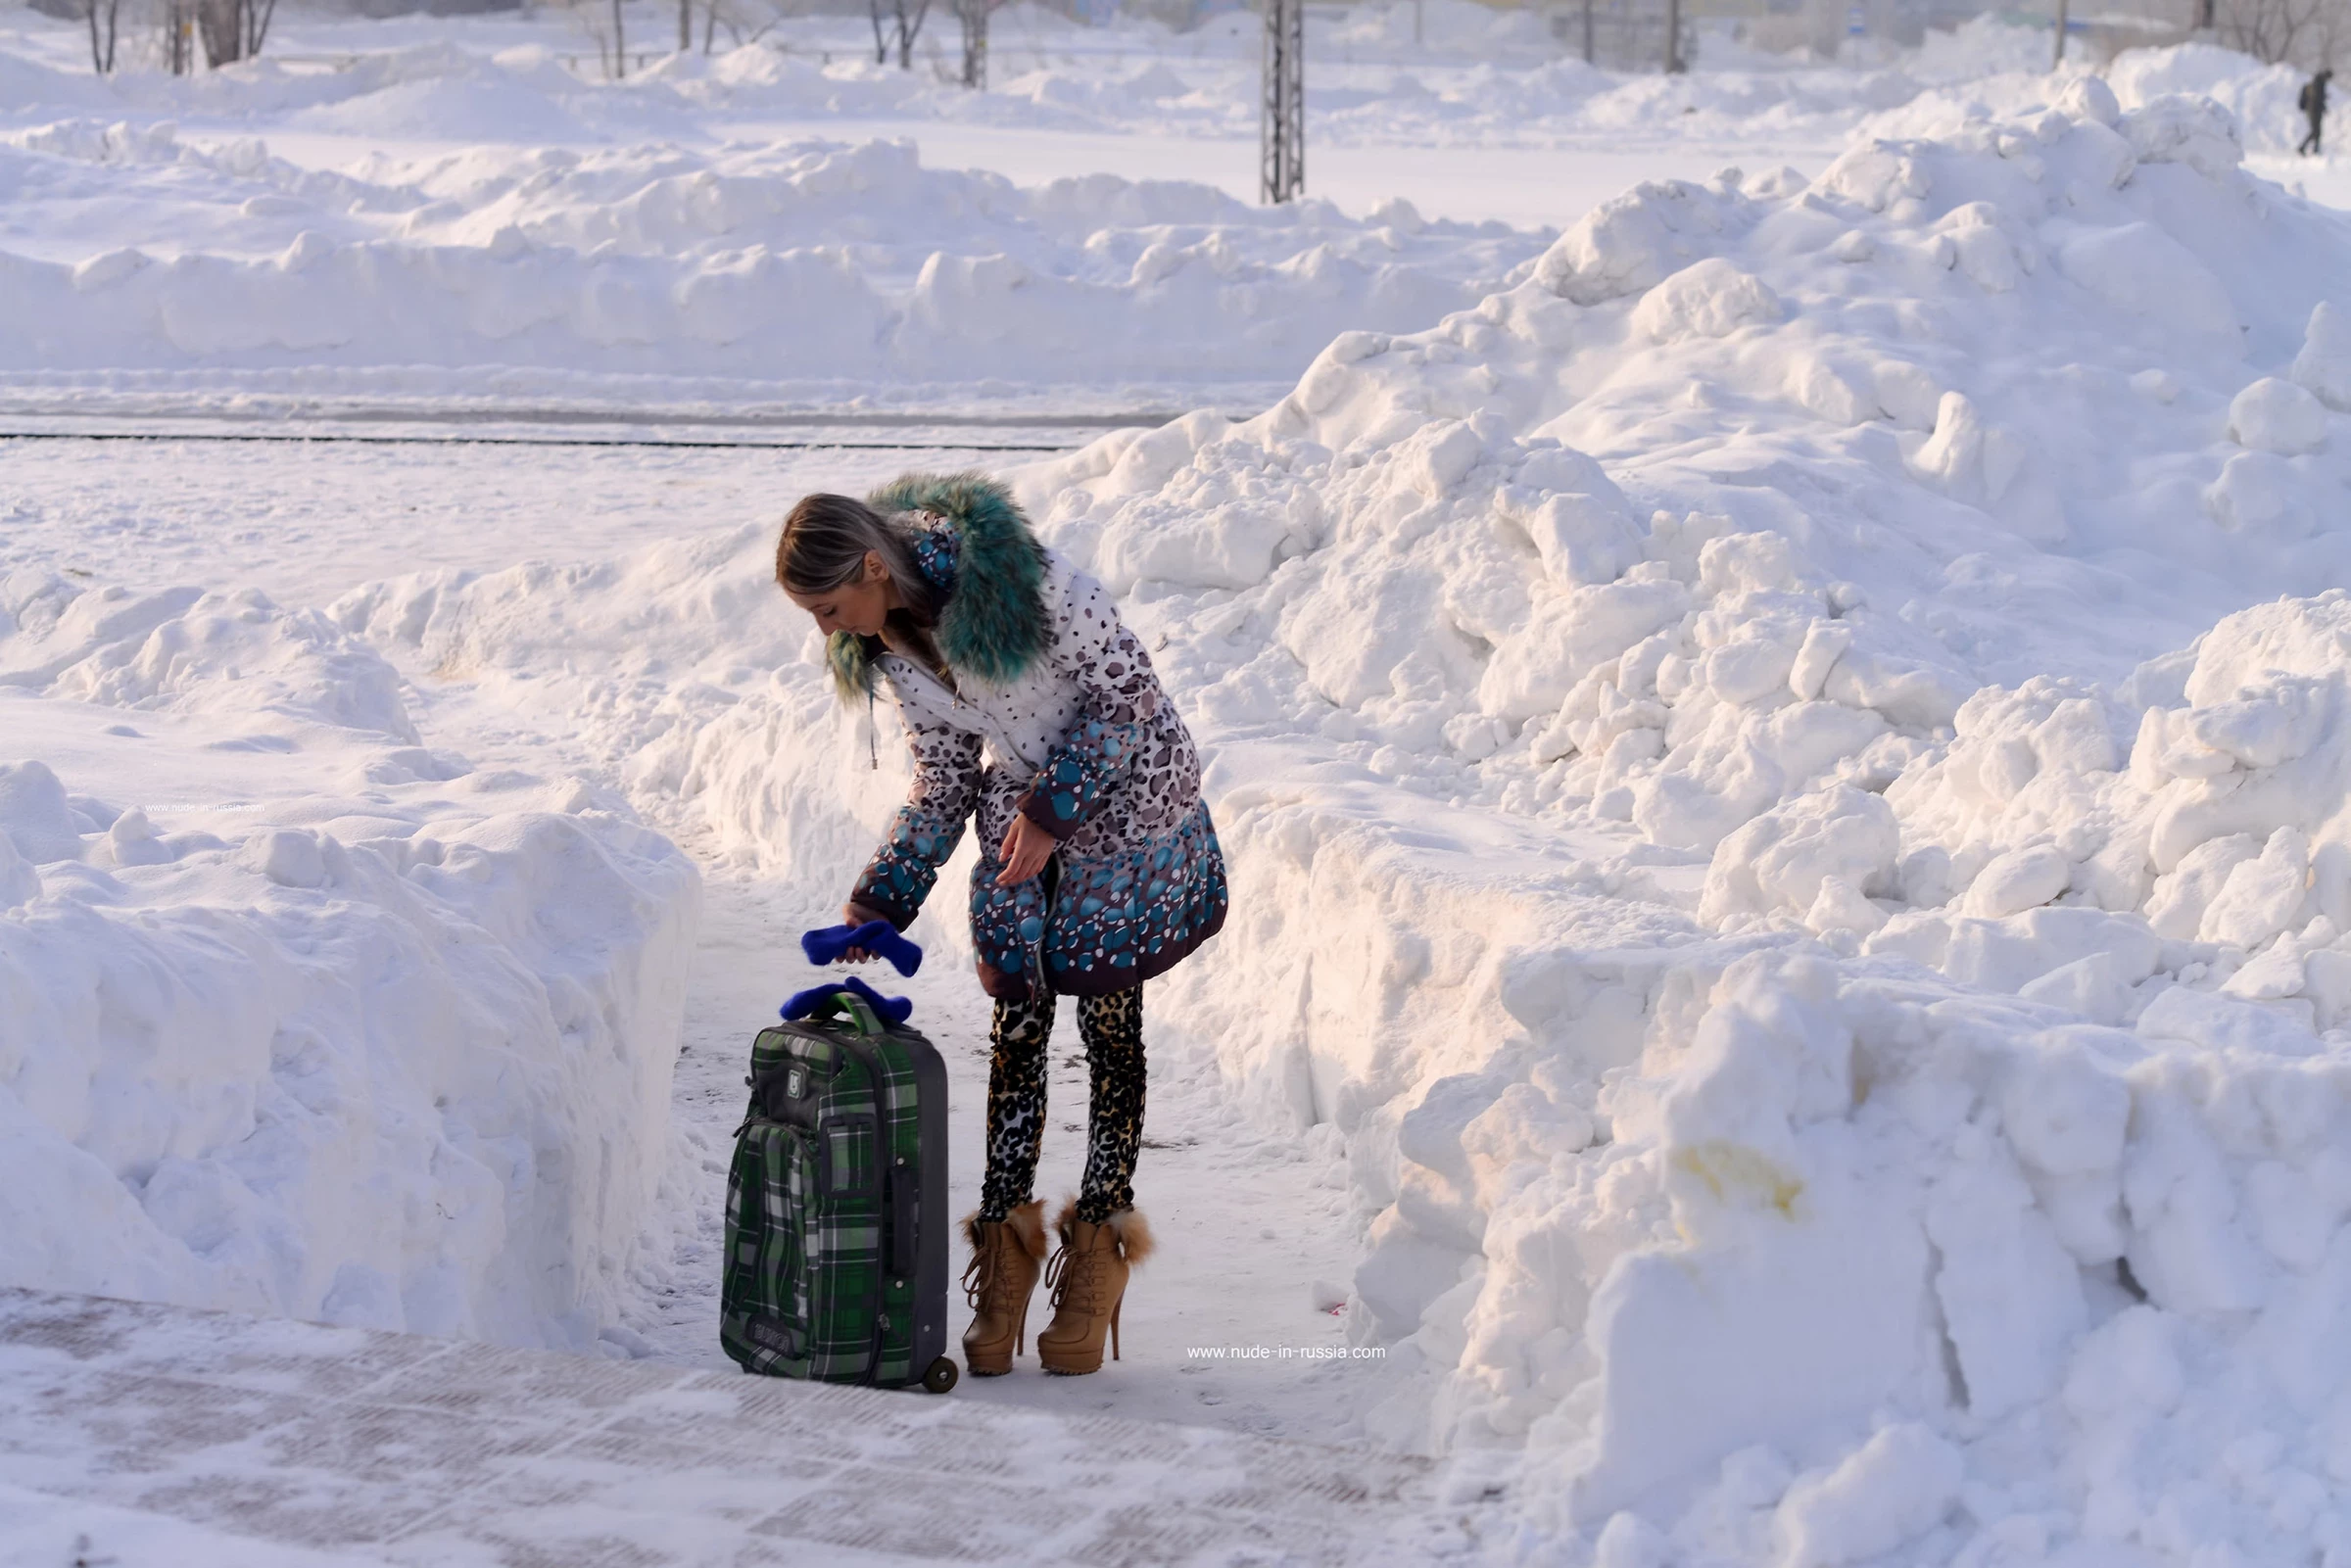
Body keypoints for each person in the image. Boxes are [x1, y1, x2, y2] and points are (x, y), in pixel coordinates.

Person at [775, 473, 1228, 1378]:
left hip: (1128, 809)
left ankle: (1097, 1248)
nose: (826, 631)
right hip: (1025, 815)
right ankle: (1007, 1251)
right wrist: (882, 895)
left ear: (872, 564)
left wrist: (1056, 810)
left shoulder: (1030, 585)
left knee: (1108, 1027)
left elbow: (1131, 701)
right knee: (1017, 1030)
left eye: (829, 606)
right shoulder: (888, 644)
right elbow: (944, 775)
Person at [2301, 68, 2332, 157]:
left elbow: (2318, 97)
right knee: (2315, 131)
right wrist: (2323, 107)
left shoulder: (2318, 81)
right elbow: (2317, 98)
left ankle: (2314, 149)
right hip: (2314, 110)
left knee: (2317, 131)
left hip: (2314, 110)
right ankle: (2304, 147)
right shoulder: (2319, 83)